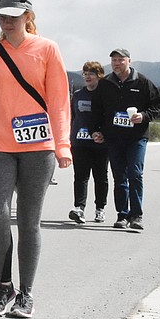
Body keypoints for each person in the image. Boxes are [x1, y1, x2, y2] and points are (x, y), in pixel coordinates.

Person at [0, 0, 71, 319]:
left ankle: (26, 293)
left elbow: (58, 101)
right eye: (2, 15)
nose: (7, 21)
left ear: (28, 15)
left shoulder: (47, 49)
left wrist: (63, 145)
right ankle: (3, 285)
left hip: (39, 148)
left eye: (14, 15)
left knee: (29, 222)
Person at [90, 48, 160, 230]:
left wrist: (144, 116)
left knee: (135, 174)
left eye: (120, 60)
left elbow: (157, 105)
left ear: (129, 61)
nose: (116, 63)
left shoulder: (142, 81)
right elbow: (97, 110)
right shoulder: (105, 83)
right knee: (119, 177)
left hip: (136, 137)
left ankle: (136, 216)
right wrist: (96, 131)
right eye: (114, 60)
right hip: (114, 138)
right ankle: (122, 215)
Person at [68, 61, 109, 224]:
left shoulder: (105, 94)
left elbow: (109, 117)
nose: (87, 76)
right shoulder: (78, 95)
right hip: (79, 142)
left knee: (100, 177)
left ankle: (100, 209)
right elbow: (72, 117)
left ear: (99, 76)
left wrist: (103, 134)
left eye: (91, 73)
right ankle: (79, 208)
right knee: (80, 176)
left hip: (100, 143)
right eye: (85, 73)